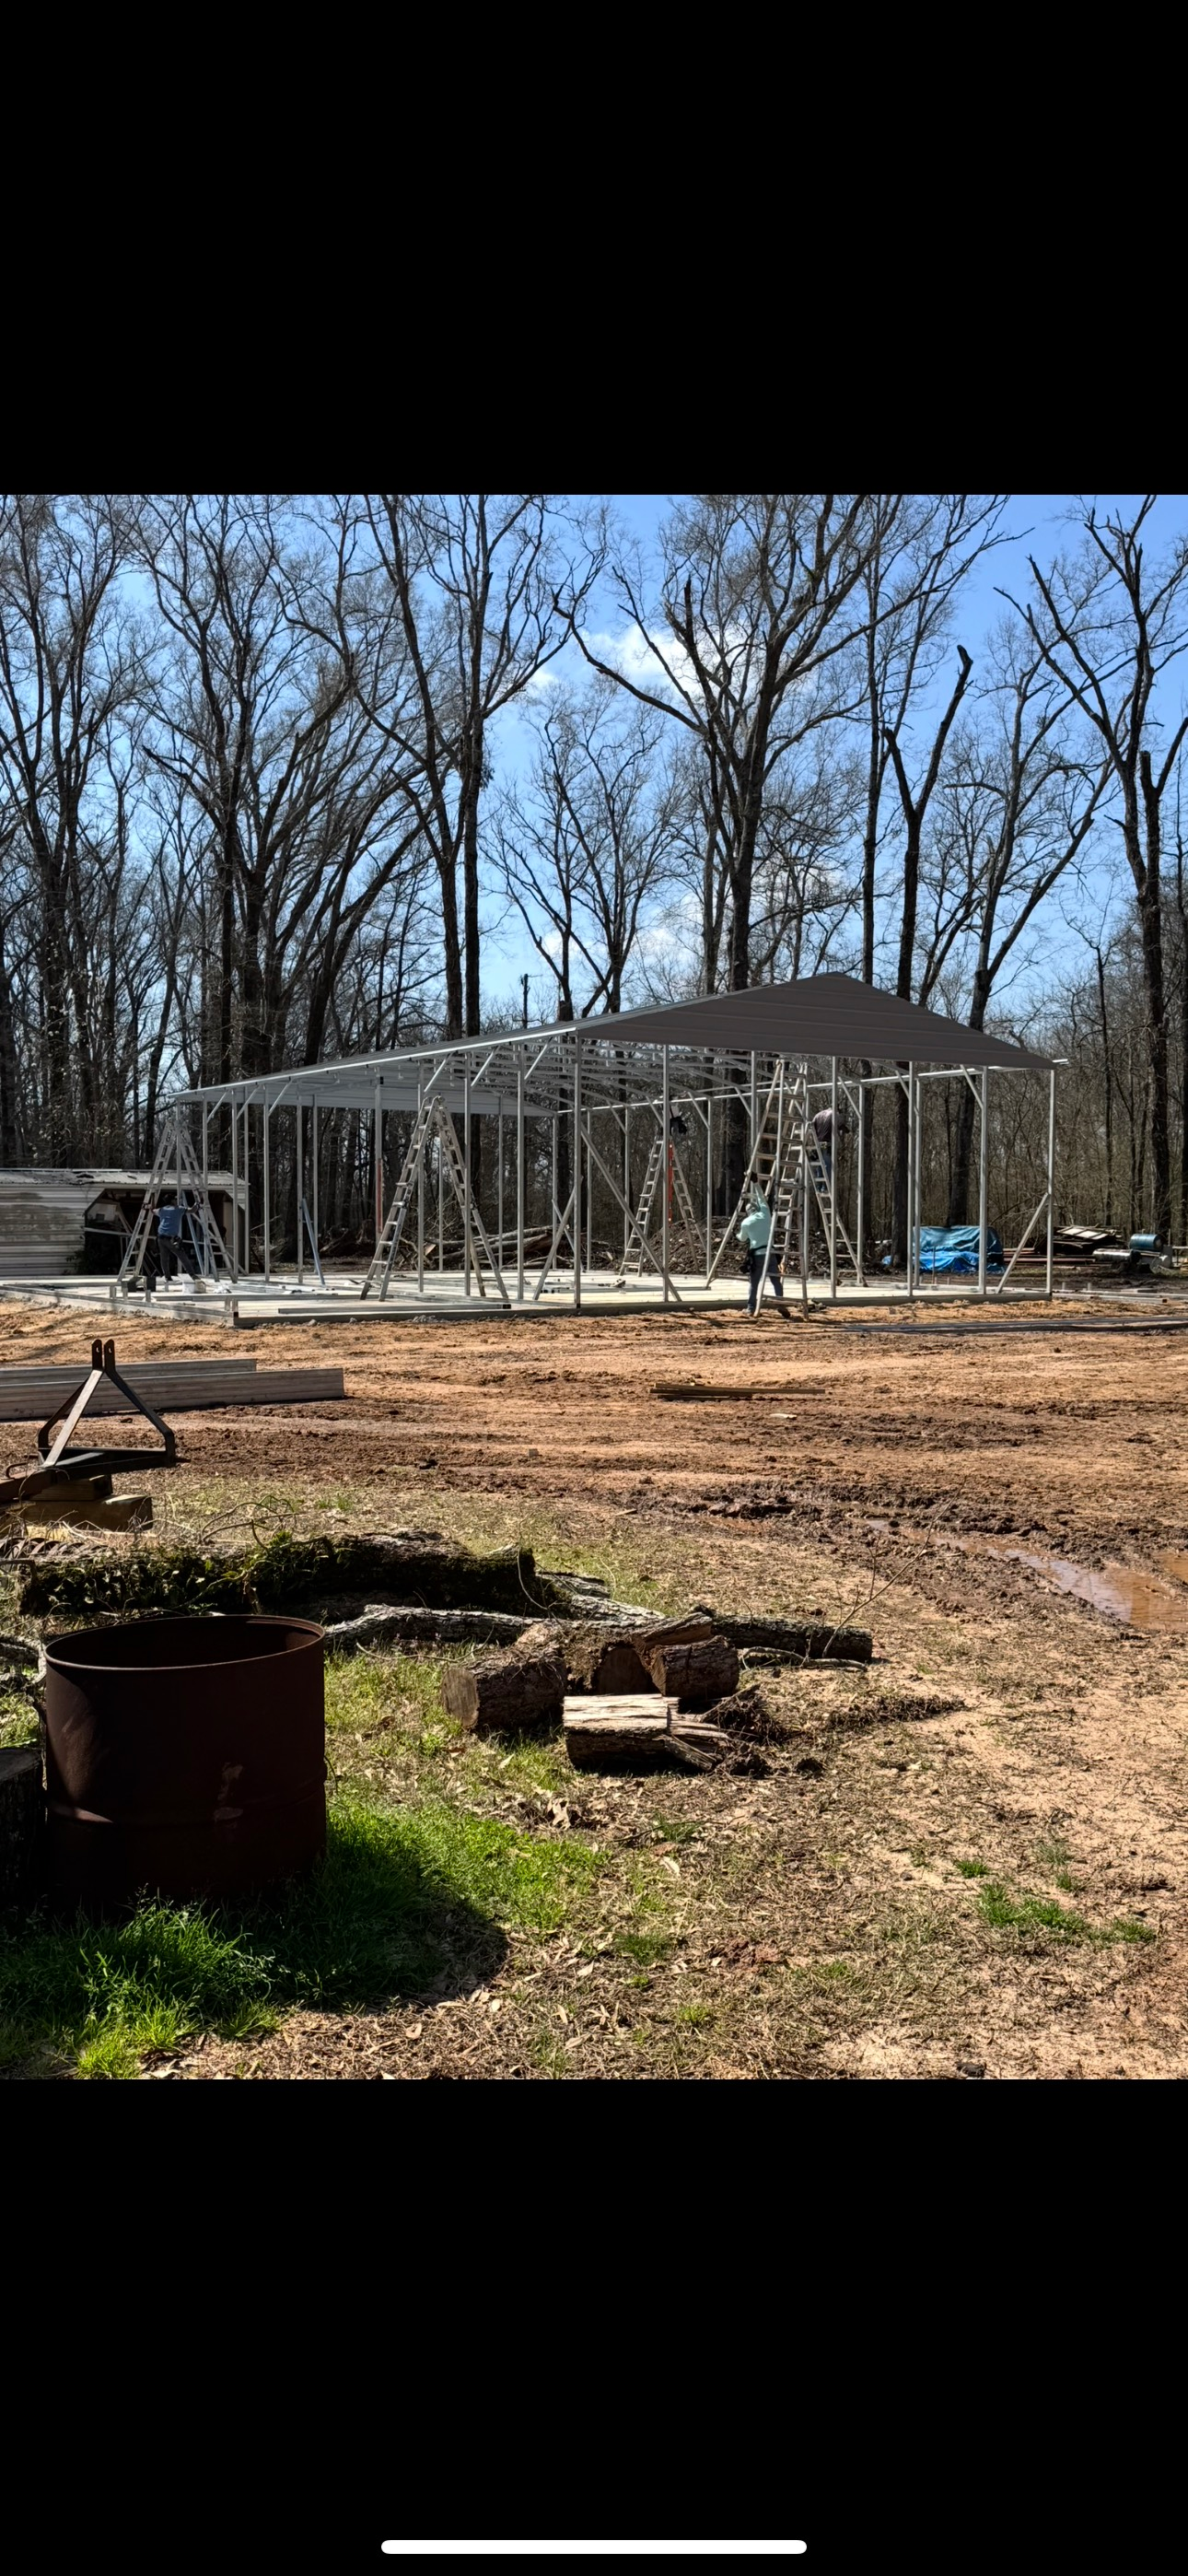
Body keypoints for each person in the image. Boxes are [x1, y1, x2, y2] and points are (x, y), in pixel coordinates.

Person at [739, 1185, 786, 1316]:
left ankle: (750, 1308)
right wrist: (756, 1185)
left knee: (754, 1282)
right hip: (771, 1254)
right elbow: (761, 1198)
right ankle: (780, 1303)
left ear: (748, 1212)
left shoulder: (746, 1222)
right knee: (776, 1281)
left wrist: (736, 1234)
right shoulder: (766, 1214)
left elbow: (742, 1239)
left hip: (757, 1255)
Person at [157, 1196, 183, 1281]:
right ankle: (192, 1274)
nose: (176, 1201)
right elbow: (192, 1210)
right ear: (172, 1201)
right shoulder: (177, 1209)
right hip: (170, 1238)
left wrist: (151, 1202)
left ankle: (167, 1276)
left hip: (162, 1237)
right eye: (175, 1199)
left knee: (164, 1259)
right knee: (181, 1256)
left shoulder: (162, 1210)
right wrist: (197, 1205)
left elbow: (152, 1210)